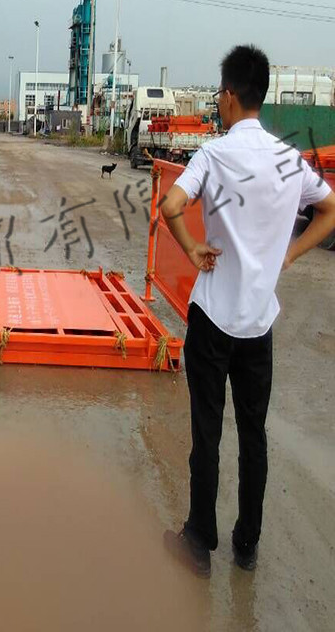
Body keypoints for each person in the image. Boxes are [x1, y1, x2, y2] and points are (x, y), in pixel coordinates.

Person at [161, 45, 335, 578]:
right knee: (253, 436)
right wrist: (291, 252)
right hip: (259, 325)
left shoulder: (213, 156)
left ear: (231, 97)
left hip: (213, 320)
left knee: (207, 433)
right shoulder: (289, 161)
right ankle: (247, 544)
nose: (218, 101)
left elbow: (171, 207)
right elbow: (329, 209)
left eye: (219, 93)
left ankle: (199, 541)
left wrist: (192, 249)